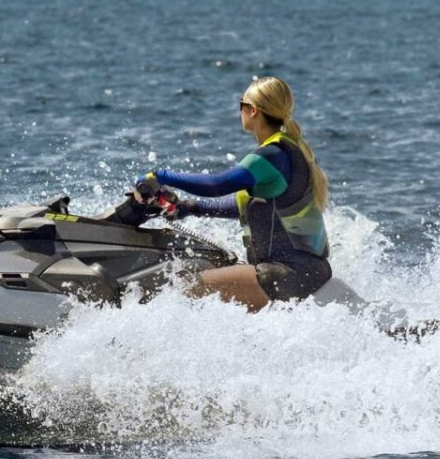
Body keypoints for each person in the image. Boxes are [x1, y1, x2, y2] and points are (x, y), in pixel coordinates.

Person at [135, 76, 331, 310]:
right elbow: (252, 208)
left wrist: (160, 176)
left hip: (286, 273)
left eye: (241, 105)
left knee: (179, 290)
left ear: (253, 111)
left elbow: (217, 185)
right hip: (307, 271)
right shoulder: (289, 148)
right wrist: (189, 208)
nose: (239, 111)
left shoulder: (271, 156)